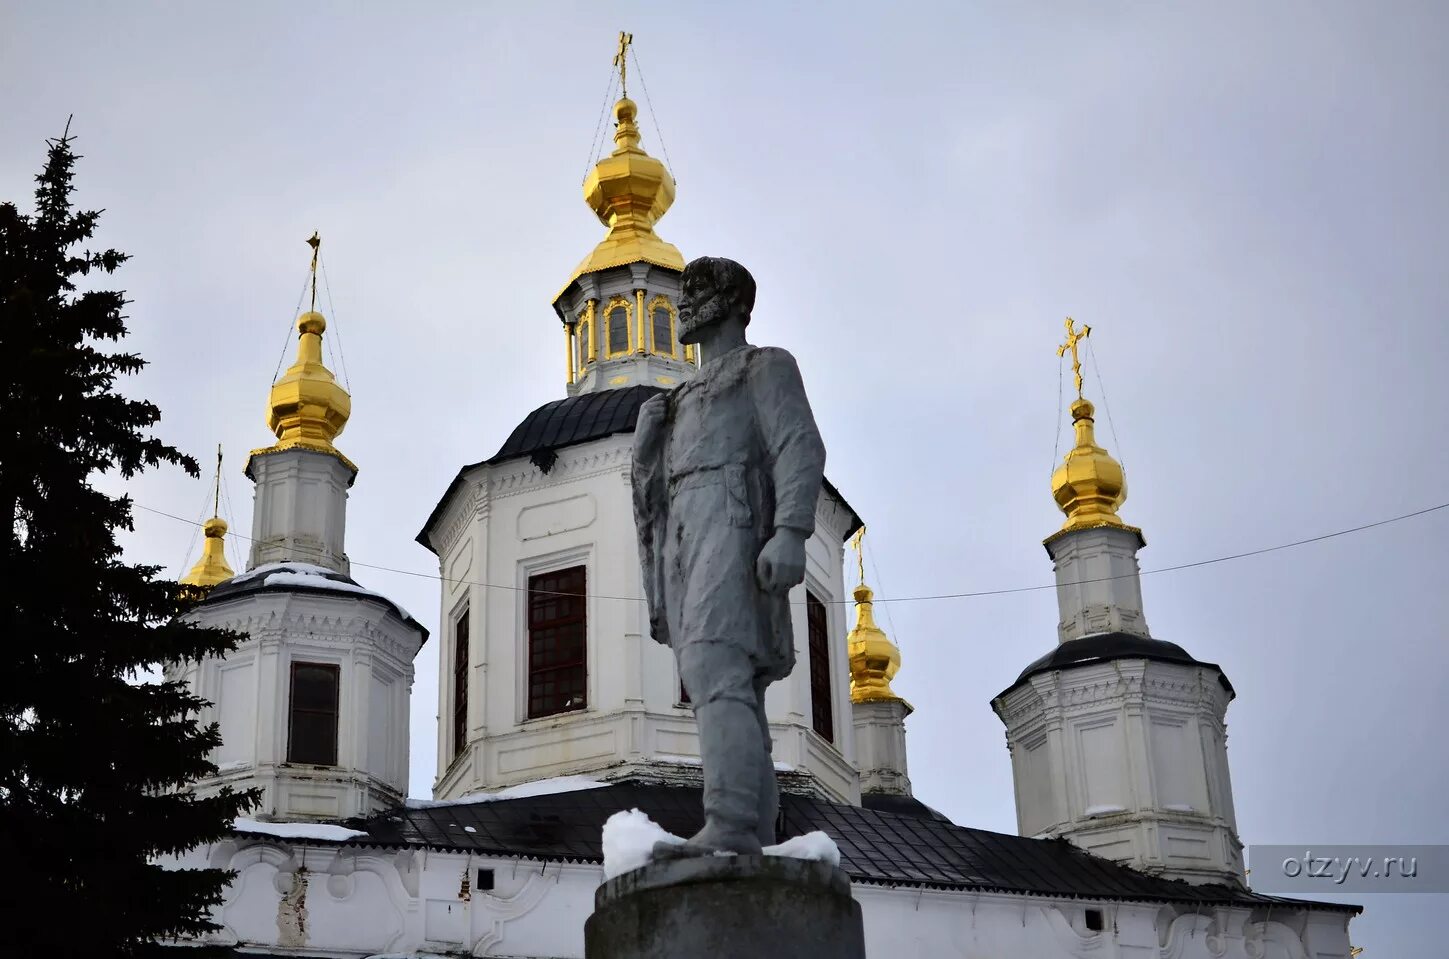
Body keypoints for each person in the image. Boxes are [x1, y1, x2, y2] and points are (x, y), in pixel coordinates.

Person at [632, 256, 826, 858]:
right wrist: (645, 446)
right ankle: (749, 827)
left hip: (733, 519)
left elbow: (798, 444)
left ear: (733, 302)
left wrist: (791, 530)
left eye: (696, 291)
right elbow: (654, 495)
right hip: (686, 536)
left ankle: (734, 822)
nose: (682, 303)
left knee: (717, 666)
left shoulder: (761, 367)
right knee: (716, 673)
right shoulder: (675, 401)